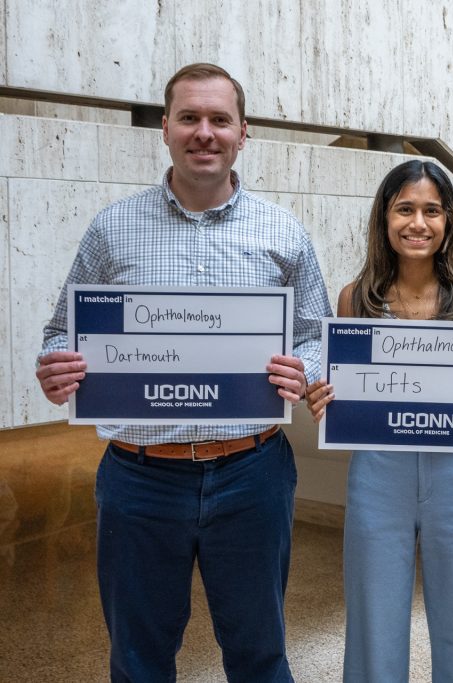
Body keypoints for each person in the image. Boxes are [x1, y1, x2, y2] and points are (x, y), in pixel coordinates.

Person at [34, 63, 332, 682]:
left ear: (242, 133)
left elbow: (317, 337)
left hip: (253, 473)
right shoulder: (112, 228)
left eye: (219, 119)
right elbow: (60, 333)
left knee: (259, 655)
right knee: (139, 660)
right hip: (139, 480)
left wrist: (301, 369)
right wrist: (57, 368)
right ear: (165, 128)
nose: (205, 132)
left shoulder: (283, 232)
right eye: (190, 118)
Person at [306, 159, 453, 682]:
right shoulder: (355, 299)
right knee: (373, 622)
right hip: (378, 474)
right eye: (405, 209)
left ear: (450, 220)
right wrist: (325, 396)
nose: (419, 223)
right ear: (384, 219)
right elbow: (344, 394)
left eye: (432, 210)